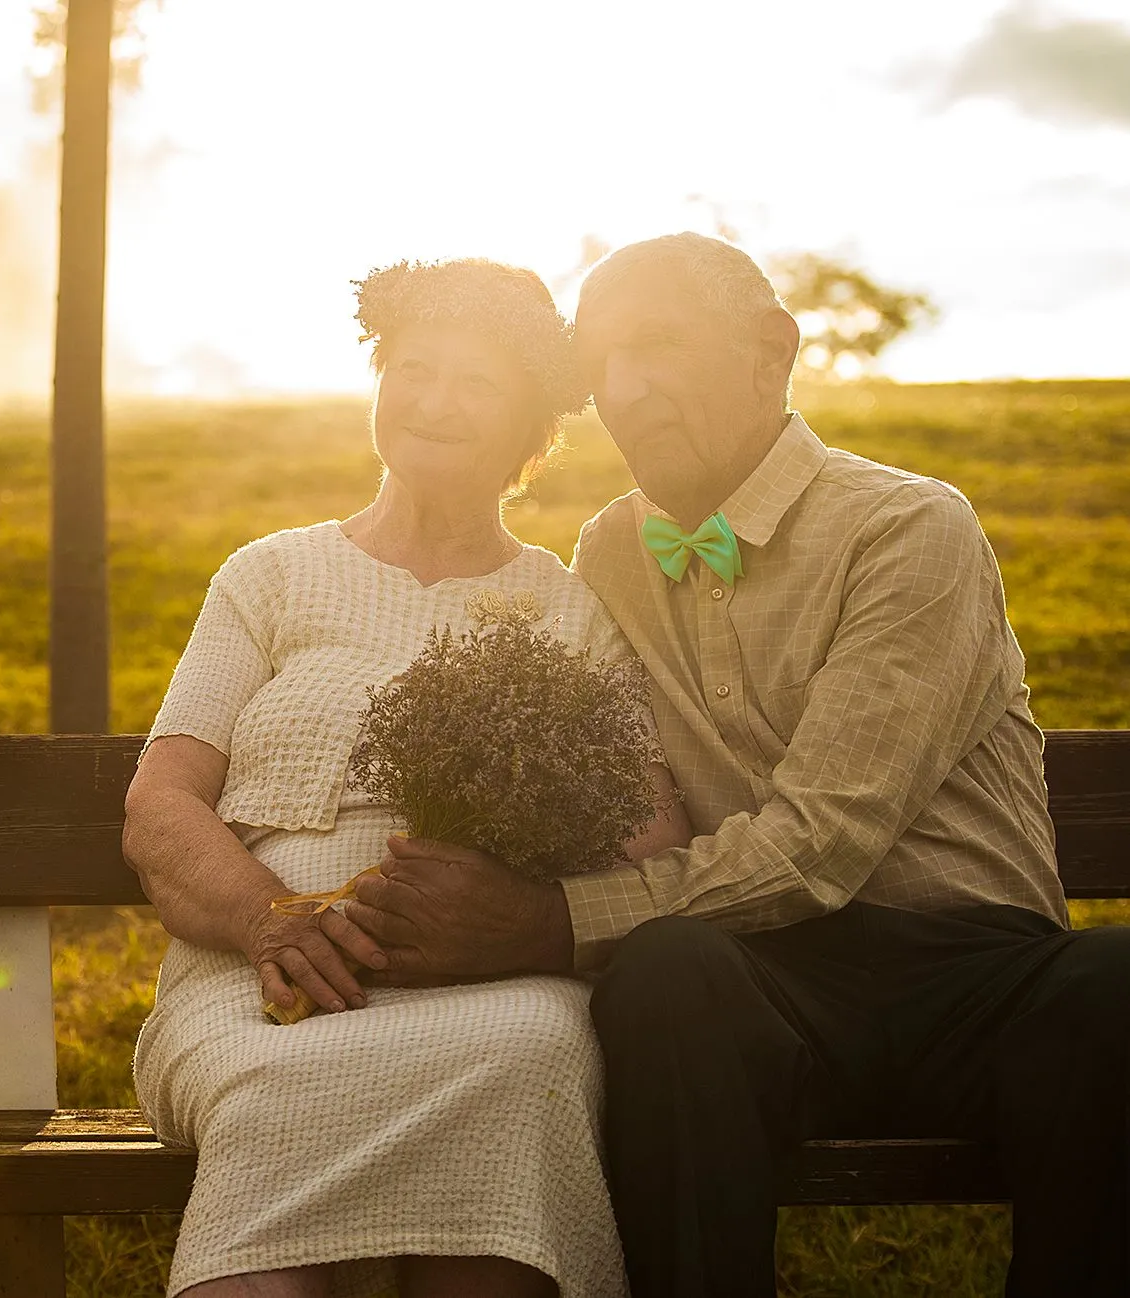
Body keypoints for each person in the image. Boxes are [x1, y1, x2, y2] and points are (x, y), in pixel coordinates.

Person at [343, 232, 1130, 1297]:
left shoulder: (909, 527)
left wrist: (545, 920)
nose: (624, 390)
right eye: (602, 363)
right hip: (765, 986)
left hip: (974, 983)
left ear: (773, 351)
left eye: (658, 347)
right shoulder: (613, 550)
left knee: (1114, 981)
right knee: (668, 977)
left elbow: (820, 843)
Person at [126, 257, 690, 1298]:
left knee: (529, 1050)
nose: (433, 403)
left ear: (532, 430)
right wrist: (271, 920)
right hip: (267, 988)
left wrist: (511, 911)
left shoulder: (571, 610)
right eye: (413, 369)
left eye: (475, 384)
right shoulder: (270, 575)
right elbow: (161, 802)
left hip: (494, 988)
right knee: (269, 1087)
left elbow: (651, 827)